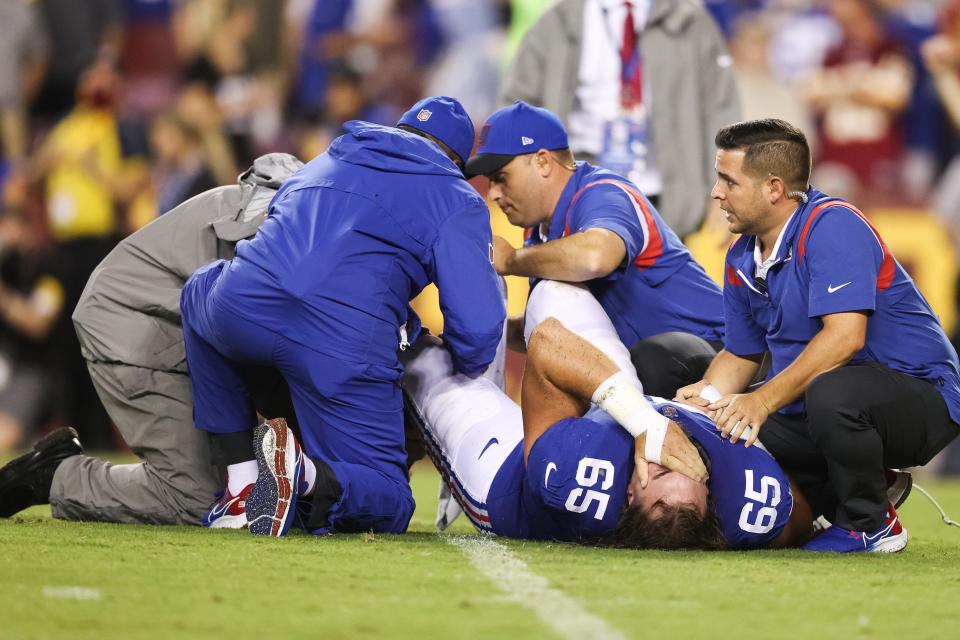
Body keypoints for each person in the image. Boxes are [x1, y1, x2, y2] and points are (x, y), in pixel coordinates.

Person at [179, 96, 505, 537]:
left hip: (245, 305)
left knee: (200, 287)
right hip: (340, 341)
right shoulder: (455, 194)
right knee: (389, 500)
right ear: (455, 159)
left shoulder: (326, 157)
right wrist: (447, 362)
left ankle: (240, 485)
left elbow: (289, 247)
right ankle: (301, 473)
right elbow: (479, 329)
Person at [675, 119, 960, 553]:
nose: (716, 193)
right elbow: (741, 353)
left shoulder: (834, 226)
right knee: (722, 429)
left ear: (774, 188)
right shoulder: (739, 257)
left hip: (924, 395)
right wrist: (707, 399)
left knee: (829, 394)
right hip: (827, 400)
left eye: (728, 181)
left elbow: (846, 340)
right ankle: (846, 491)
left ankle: (872, 524)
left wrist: (760, 401)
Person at [0, 153, 304, 525]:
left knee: (236, 479)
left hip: (162, 317)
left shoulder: (305, 206)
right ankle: (56, 476)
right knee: (197, 499)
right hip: (135, 320)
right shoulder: (289, 222)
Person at [402, 280, 812, 550]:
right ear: (712, 498)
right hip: (613, 414)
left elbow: (548, 345)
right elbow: (797, 516)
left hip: (507, 471)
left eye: (664, 472)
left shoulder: (573, 476)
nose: (678, 459)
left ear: (629, 494)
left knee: (423, 361)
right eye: (695, 476)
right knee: (557, 289)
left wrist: (647, 422)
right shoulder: (749, 507)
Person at [466, 101, 723, 397]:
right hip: (661, 373)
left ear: (542, 162)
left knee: (651, 361)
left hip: (721, 359)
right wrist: (495, 331)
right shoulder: (539, 232)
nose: (494, 193)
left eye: (501, 178)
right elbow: (568, 332)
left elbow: (596, 257)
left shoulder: (602, 191)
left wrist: (511, 260)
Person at [501, 0, 740, 238]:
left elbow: (720, 108)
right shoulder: (557, 22)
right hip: (578, 188)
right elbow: (517, 107)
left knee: (656, 273)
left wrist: (725, 185)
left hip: (665, 193)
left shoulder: (690, 21)